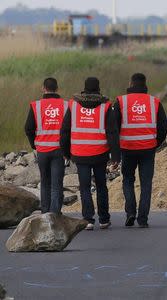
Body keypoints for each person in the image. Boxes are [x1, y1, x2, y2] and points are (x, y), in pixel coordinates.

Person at [60, 77, 120, 230]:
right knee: (101, 186)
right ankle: (104, 219)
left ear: (84, 88)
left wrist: (66, 152)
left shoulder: (73, 105)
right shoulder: (106, 106)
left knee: (85, 187)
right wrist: (115, 156)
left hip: (80, 154)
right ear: (98, 88)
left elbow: (65, 131)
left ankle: (88, 219)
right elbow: (112, 132)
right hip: (100, 153)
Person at [114, 73, 167, 228]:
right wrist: (155, 143)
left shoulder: (121, 101)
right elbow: (164, 127)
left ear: (131, 83)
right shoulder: (154, 102)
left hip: (127, 148)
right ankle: (143, 219)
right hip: (147, 149)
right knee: (146, 184)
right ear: (145, 84)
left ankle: (130, 212)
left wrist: (116, 147)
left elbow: (114, 127)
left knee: (128, 180)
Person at [25, 78, 67, 214]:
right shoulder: (66, 105)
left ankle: (45, 212)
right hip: (60, 150)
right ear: (57, 88)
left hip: (42, 149)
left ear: (43, 88)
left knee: (45, 182)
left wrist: (34, 144)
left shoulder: (36, 105)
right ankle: (54, 214)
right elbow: (69, 129)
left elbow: (28, 128)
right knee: (57, 183)